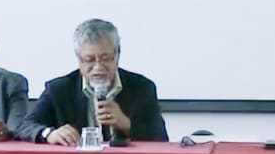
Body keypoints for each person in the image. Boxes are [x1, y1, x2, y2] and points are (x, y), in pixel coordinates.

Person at [17, 19, 168, 144]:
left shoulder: (141, 88)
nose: (98, 67)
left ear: (117, 56)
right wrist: (49, 134)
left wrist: (125, 124)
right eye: (89, 60)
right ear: (79, 59)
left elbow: (161, 137)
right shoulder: (59, 89)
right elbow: (25, 126)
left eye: (105, 58)